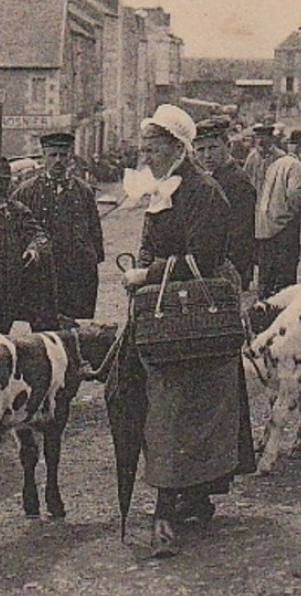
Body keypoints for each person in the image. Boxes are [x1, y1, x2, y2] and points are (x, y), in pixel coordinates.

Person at [107, 104, 255, 558]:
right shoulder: (167, 187)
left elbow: (203, 259)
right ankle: (192, 493)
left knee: (179, 408)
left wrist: (146, 274)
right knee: (172, 404)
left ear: (176, 146)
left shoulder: (202, 191)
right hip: (169, 315)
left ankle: (171, 502)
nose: (146, 157)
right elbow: (156, 243)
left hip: (193, 320)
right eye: (144, 150)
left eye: (152, 149)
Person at [12, 131, 105, 322]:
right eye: (53, 155)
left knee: (72, 333)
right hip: (41, 278)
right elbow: (15, 231)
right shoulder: (27, 191)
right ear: (44, 157)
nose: (58, 161)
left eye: (63, 155)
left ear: (70, 157)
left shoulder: (83, 192)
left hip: (74, 277)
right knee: (43, 334)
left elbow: (95, 234)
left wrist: (89, 262)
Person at [0, 155, 57, 333]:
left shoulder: (16, 211)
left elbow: (40, 236)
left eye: (4, 181)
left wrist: (34, 250)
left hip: (7, 290)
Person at [192, 119, 257, 293]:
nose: (206, 155)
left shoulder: (236, 181)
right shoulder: (210, 179)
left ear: (227, 146)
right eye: (200, 150)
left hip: (226, 271)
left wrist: (231, 271)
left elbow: (241, 235)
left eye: (212, 148)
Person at [253, 124, 301, 297]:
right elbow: (294, 194)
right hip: (283, 227)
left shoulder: (277, 164)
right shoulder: (297, 166)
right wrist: (300, 211)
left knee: (266, 273)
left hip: (264, 225)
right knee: (285, 275)